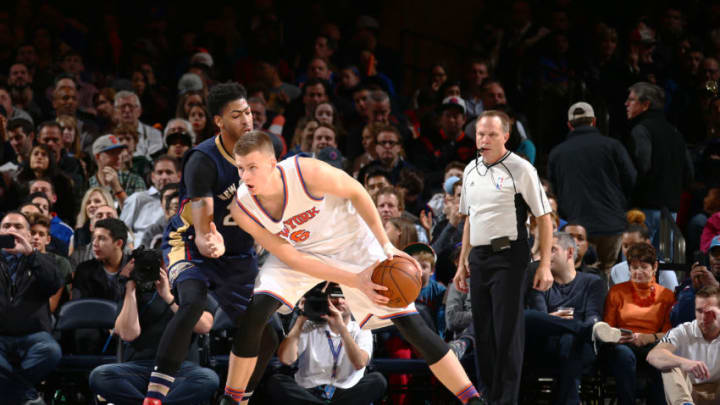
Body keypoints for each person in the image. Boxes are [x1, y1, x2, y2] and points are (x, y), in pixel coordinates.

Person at [228, 131, 484, 405]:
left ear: (271, 163)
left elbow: (358, 192)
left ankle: (472, 399)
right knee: (257, 310)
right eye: (240, 168)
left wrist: (386, 245)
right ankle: (232, 400)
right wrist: (352, 280)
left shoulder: (306, 171)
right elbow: (290, 257)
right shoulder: (242, 207)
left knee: (410, 323)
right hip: (301, 254)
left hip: (353, 244)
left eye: (252, 168)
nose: (245, 176)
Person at [143, 82, 272, 405]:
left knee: (269, 333)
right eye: (237, 115)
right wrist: (206, 237)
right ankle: (154, 397)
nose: (247, 120)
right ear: (219, 121)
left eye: (249, 113)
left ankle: (237, 399)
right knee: (192, 303)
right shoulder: (203, 159)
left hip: (238, 254)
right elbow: (202, 218)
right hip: (190, 241)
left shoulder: (265, 150)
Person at [453, 110, 553, 404]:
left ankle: (506, 400)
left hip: (510, 255)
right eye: (480, 134)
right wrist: (461, 264)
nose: (484, 139)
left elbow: (544, 218)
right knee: (483, 331)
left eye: (491, 134)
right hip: (479, 257)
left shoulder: (521, 168)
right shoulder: (470, 169)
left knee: (506, 333)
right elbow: (470, 219)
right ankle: (486, 396)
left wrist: (545, 264)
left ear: (506, 136)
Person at [89, 259, 219, 405]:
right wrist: (130, 287)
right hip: (139, 367)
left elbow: (204, 326)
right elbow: (128, 334)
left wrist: (168, 296)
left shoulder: (192, 290)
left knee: (208, 378)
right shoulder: (135, 292)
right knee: (100, 375)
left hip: (181, 369)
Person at [548, 101, 637, 275]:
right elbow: (632, 179)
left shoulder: (557, 153)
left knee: (574, 271)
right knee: (607, 271)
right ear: (594, 121)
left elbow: (554, 191)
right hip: (611, 224)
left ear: (569, 125)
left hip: (576, 226)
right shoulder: (613, 146)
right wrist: (619, 206)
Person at [268, 283, 387, 404]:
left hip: (346, 392)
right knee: (276, 382)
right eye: (334, 296)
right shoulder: (309, 325)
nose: (339, 301)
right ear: (325, 300)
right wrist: (300, 319)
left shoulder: (362, 329)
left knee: (377, 380)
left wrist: (341, 328)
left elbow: (360, 363)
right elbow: (286, 360)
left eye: (344, 296)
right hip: (309, 391)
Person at [525, 232, 606, 405]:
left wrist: (554, 319)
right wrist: (575, 319)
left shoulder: (593, 282)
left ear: (569, 253)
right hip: (546, 345)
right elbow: (540, 318)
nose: (546, 256)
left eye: (552, 250)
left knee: (570, 340)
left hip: (579, 347)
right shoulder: (540, 280)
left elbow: (593, 318)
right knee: (527, 317)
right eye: (545, 251)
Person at [594, 242, 675, 405]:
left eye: (644, 267)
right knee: (624, 355)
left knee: (660, 355)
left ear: (655, 267)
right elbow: (607, 327)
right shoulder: (616, 292)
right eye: (634, 267)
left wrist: (648, 337)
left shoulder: (666, 295)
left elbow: (670, 332)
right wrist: (618, 336)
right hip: (622, 345)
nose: (638, 272)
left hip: (651, 342)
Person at [0, 211, 63, 405]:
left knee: (51, 351)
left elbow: (53, 283)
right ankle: (28, 396)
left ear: (29, 235)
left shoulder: (44, 261)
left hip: (35, 335)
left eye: (18, 227)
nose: (12, 231)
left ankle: (12, 394)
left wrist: (31, 255)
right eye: (6, 226)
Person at [625, 82, 693, 249]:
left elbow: (643, 165)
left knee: (637, 260)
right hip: (670, 211)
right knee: (665, 262)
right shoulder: (675, 132)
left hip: (644, 210)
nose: (626, 103)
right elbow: (689, 173)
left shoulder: (641, 130)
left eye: (631, 99)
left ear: (645, 104)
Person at [647, 286, 720, 405]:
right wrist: (683, 362)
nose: (703, 318)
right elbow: (653, 355)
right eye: (699, 311)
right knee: (670, 365)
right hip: (688, 392)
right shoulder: (683, 330)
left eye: (709, 312)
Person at [120, 156, 181, 244]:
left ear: (179, 176)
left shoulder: (187, 201)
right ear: (152, 177)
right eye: (159, 173)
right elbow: (122, 229)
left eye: (169, 172)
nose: (164, 177)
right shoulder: (137, 198)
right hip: (140, 251)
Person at [72, 218, 130, 301]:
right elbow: (79, 306)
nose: (94, 243)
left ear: (118, 243)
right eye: (94, 238)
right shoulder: (84, 270)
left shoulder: (135, 269)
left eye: (102, 238)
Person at [610, 222, 679, 291]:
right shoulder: (616, 270)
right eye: (625, 246)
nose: (629, 250)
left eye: (634, 244)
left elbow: (673, 299)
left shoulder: (665, 272)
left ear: (647, 243)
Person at [672, 235, 720, 326]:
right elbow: (677, 320)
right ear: (708, 257)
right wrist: (695, 291)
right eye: (715, 254)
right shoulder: (696, 279)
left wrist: (716, 287)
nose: (718, 258)